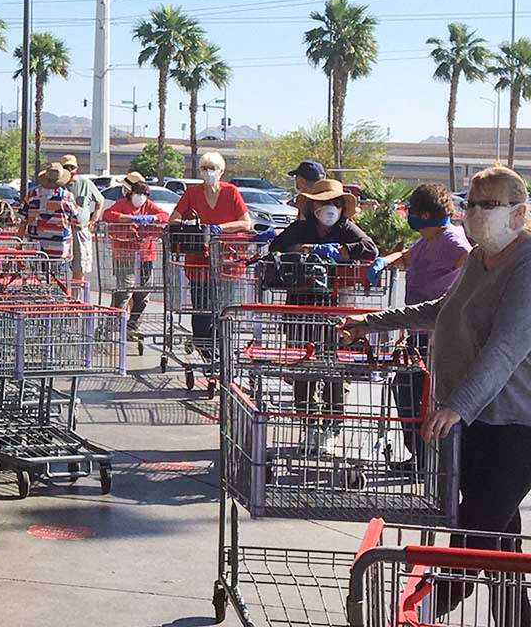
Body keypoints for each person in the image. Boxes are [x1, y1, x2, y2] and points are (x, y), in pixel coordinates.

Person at [343, 166, 531, 625]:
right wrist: (372, 322)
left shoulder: (526, 265)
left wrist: (456, 406)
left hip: (515, 427)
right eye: (470, 204)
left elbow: (506, 347)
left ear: (519, 212)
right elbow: (441, 310)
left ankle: (418, 612)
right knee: (498, 536)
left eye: (487, 206)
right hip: (476, 425)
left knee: (473, 539)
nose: (474, 214)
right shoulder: (479, 258)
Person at [362, 183, 469, 470]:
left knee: (421, 395)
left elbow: (470, 260)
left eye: (411, 210)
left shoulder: (450, 240)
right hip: (417, 334)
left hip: (437, 337)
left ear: (424, 213)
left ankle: (428, 460)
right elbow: (408, 256)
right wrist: (385, 260)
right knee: (408, 390)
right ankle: (420, 457)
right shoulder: (428, 240)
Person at [270, 177, 378, 455]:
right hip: (301, 308)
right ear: (313, 207)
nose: (329, 208)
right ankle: (310, 425)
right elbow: (276, 247)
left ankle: (332, 426)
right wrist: (305, 250)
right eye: (323, 204)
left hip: (335, 310)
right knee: (304, 368)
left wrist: (339, 252)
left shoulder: (346, 229)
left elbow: (370, 248)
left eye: (334, 203)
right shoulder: (301, 228)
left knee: (333, 368)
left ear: (341, 206)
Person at [168, 152, 252, 356]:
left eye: (213, 168)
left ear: (222, 171)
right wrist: (194, 226)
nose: (209, 172)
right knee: (202, 313)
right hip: (199, 265)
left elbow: (246, 222)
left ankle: (222, 355)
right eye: (205, 168)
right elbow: (174, 220)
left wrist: (220, 228)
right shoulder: (192, 193)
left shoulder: (231, 192)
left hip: (228, 265)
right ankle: (206, 351)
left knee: (223, 312)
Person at [102, 172, 169, 334]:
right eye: (138, 193)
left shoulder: (149, 206)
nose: (141, 197)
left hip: (146, 254)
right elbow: (108, 215)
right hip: (124, 253)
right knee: (124, 290)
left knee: (143, 293)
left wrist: (151, 219)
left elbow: (164, 215)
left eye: (144, 194)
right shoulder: (120, 204)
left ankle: (133, 325)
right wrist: (129, 219)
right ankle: (113, 324)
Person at [18, 163, 80, 277]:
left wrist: (19, 242)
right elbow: (77, 220)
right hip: (60, 247)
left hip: (36, 245)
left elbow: (23, 219)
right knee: (59, 279)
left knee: (36, 278)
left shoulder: (32, 194)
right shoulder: (67, 196)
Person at [59, 154, 104, 282]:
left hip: (80, 230)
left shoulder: (85, 183)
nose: (69, 170)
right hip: (61, 231)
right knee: (58, 268)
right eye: (66, 167)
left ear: (76, 168)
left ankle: (76, 299)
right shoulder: (57, 185)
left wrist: (93, 219)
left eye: (71, 167)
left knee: (80, 268)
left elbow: (100, 200)